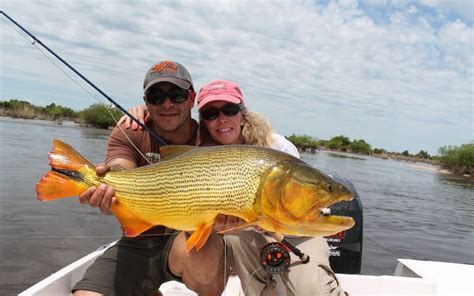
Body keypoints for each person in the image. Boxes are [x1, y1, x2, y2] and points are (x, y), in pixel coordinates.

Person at [121, 79, 346, 295]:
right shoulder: (201, 146)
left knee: (312, 290)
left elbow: (296, 205)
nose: (222, 119)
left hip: (295, 234)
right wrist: (147, 110)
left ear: (242, 113)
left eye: (229, 109)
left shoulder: (278, 147)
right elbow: (170, 119)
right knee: (234, 246)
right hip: (241, 236)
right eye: (211, 113)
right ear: (204, 120)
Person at [73, 61, 230, 296]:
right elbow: (119, 168)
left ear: (191, 98)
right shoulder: (129, 130)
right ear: (146, 102)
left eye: (176, 95)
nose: (167, 104)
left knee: (207, 261)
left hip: (186, 239)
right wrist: (107, 192)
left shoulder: (212, 140)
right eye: (156, 97)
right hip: (138, 242)